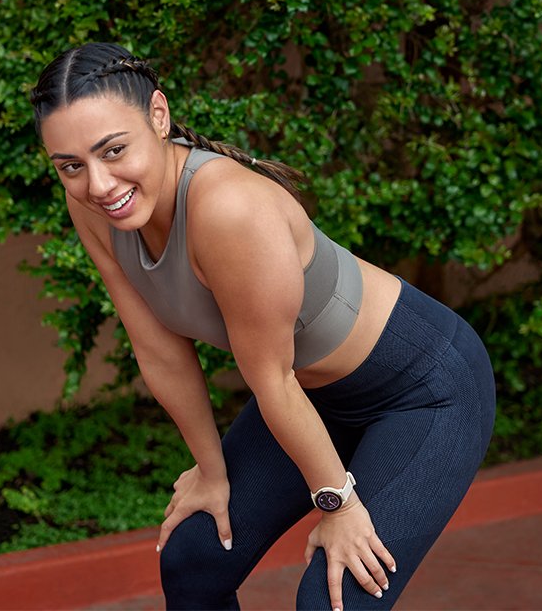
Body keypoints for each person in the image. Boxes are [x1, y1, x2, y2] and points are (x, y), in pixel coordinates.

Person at [30, 42, 496, 610]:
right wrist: (210, 471)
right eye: (71, 166)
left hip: (423, 390)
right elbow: (158, 351)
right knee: (196, 556)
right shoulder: (97, 208)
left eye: (113, 150)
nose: (98, 184)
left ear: (158, 115)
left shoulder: (229, 210)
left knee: (335, 597)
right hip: (311, 397)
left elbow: (270, 378)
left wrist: (339, 505)